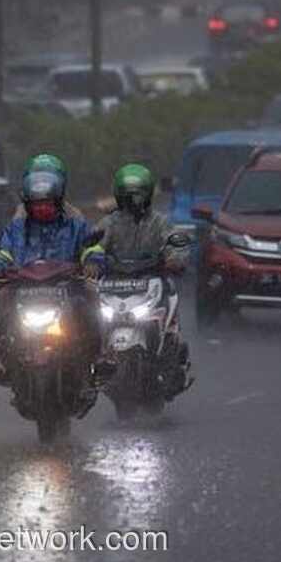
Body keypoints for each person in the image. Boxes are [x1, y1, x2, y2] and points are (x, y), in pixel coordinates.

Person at [0, 166, 106, 386]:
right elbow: (4, 252)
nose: (41, 209)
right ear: (27, 204)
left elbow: (92, 247)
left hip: (67, 286)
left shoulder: (75, 225)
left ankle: (99, 355)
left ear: (58, 202)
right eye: (36, 204)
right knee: (2, 297)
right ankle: (4, 363)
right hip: (24, 287)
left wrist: (92, 263)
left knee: (91, 295)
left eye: (47, 204)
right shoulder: (16, 228)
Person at [96, 163, 192, 396]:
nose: (133, 200)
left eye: (138, 194)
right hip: (114, 284)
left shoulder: (159, 222)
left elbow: (175, 242)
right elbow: (92, 243)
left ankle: (169, 352)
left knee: (169, 302)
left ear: (148, 195)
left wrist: (175, 257)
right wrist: (88, 258)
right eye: (128, 195)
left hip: (152, 281)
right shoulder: (109, 223)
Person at [13, 153, 82, 219]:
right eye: (38, 179)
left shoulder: (72, 215)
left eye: (46, 179)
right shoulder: (22, 214)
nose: (42, 184)